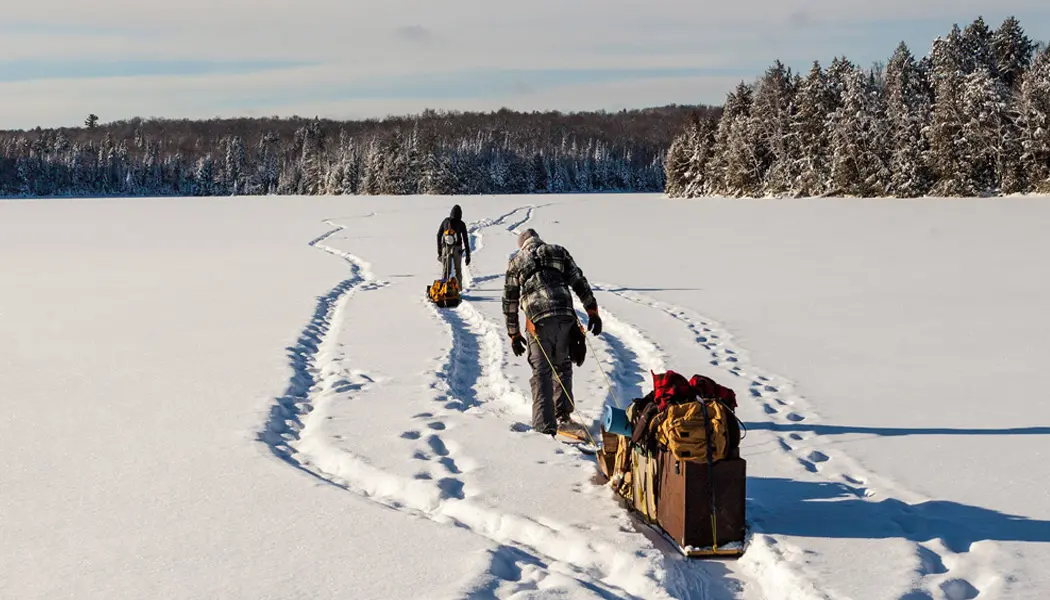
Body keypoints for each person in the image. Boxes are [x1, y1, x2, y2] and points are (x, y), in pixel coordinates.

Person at [502, 228, 602, 436]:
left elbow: (510, 300)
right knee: (563, 365)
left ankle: (544, 428)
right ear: (539, 240)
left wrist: (514, 334)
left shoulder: (516, 262)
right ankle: (562, 416)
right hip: (565, 316)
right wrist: (592, 310)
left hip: (537, 321)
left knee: (542, 372)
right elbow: (578, 281)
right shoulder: (558, 251)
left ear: (522, 245)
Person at [437, 205, 470, 283]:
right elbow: (465, 239)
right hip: (457, 248)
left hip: (446, 248)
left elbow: (439, 235)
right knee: (457, 270)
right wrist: (468, 255)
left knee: (445, 270)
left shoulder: (445, 221)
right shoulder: (461, 223)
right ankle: (458, 289)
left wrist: (440, 251)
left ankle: (444, 288)